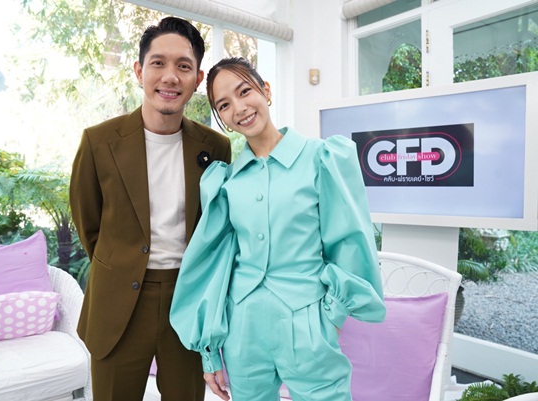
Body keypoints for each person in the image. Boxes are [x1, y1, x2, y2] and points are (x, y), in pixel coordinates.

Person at [169, 57, 386, 401]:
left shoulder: (321, 158)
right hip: (242, 331)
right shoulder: (225, 181)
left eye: (244, 92)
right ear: (221, 117)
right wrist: (210, 352)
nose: (239, 108)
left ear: (266, 91)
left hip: (309, 326)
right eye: (224, 105)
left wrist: (332, 317)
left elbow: (348, 242)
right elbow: (214, 267)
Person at [69, 17, 232, 401]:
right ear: (139, 71)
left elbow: (215, 227)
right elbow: (88, 224)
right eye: (158, 63)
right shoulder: (98, 142)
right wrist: (122, 263)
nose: (170, 76)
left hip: (187, 299)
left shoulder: (216, 147)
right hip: (118, 303)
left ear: (197, 79)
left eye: (184, 66)